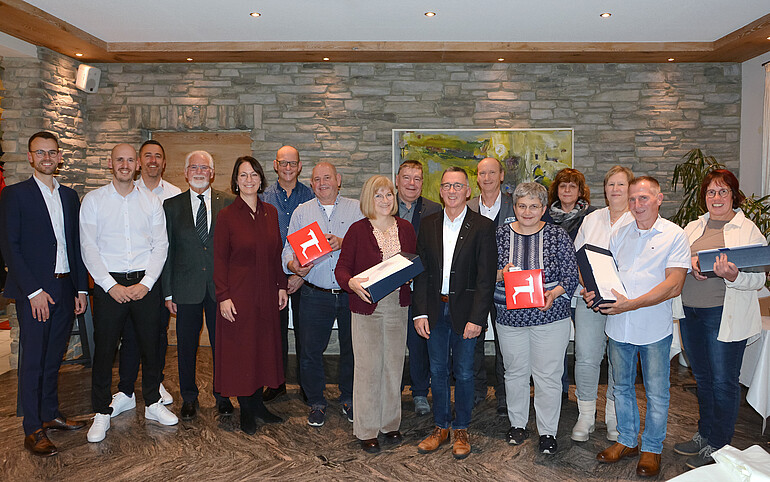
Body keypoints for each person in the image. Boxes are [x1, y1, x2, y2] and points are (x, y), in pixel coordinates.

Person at [586, 176, 690, 477]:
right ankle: (628, 440)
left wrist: (632, 303)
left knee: (657, 392)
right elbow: (608, 273)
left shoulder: (674, 235)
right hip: (619, 327)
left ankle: (652, 448)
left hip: (654, 329)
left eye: (643, 198)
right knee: (620, 387)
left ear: (659, 199)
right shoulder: (620, 232)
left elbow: (674, 285)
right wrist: (594, 290)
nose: (636, 205)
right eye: (632, 199)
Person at [80, 143, 177, 443]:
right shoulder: (93, 201)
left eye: (129, 160)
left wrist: (146, 283)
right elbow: (89, 246)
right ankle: (101, 412)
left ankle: (151, 402)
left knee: (151, 346)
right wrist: (110, 286)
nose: (124, 165)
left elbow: (160, 245)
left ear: (137, 165)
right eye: (118, 160)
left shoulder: (151, 202)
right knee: (105, 349)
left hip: (145, 284)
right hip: (110, 286)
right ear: (110, 164)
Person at [0, 131, 89, 456]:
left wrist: (80, 288)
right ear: (30, 157)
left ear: (60, 157)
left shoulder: (69, 195)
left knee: (54, 358)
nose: (47, 158)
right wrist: (33, 291)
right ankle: (32, 427)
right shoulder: (15, 195)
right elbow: (11, 248)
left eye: (52, 152)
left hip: (66, 288)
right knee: (34, 360)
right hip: (35, 292)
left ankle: (51, 413)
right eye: (41, 153)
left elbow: (74, 245)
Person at [674, 169, 767, 469]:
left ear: (733, 195)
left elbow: (759, 280)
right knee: (702, 379)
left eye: (723, 191)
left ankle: (720, 445)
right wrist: (687, 264)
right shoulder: (692, 227)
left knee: (724, 381)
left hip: (723, 315)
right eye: (711, 192)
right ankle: (705, 434)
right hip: (690, 311)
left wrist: (734, 274)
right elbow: (673, 262)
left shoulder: (747, 229)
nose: (716, 198)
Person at [413, 167, 496, 460]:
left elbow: (486, 279)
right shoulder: (428, 224)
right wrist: (419, 312)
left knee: (463, 372)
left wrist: (478, 318)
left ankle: (461, 428)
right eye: (447, 185)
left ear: (467, 191)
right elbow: (421, 273)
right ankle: (440, 427)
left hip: (466, 313)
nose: (452, 191)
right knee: (437, 371)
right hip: (434, 310)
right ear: (440, 190)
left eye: (458, 186)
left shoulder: (483, 227)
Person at [494, 182, 578, 455]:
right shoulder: (499, 235)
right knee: (515, 373)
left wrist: (553, 294)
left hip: (550, 317)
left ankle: (548, 432)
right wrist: (500, 273)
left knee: (548, 377)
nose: (527, 211)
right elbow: (484, 274)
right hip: (510, 319)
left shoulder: (558, 235)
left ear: (543, 208)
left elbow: (570, 276)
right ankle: (517, 424)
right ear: (514, 208)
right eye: (521, 206)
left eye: (533, 206)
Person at [336, 175, 417, 453]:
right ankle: (367, 428)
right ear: (369, 200)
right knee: (369, 368)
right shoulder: (357, 230)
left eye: (389, 195)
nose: (385, 201)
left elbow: (413, 261)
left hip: (398, 305)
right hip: (367, 306)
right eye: (378, 196)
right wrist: (352, 284)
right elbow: (342, 269)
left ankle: (389, 423)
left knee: (393, 366)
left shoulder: (405, 228)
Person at [282, 162, 363, 427]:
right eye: (317, 179)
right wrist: (293, 266)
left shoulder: (358, 209)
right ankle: (316, 402)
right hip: (315, 294)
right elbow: (287, 250)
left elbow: (369, 247)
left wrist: (344, 242)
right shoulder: (301, 212)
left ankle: (349, 397)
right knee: (310, 352)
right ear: (312, 182)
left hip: (350, 292)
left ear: (338, 179)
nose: (322, 183)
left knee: (352, 350)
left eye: (327, 178)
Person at [214, 156, 287, 435]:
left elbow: (276, 253)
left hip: (266, 294)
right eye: (243, 175)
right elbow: (219, 259)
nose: (248, 180)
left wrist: (281, 285)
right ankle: (246, 409)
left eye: (253, 175)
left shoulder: (270, 212)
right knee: (242, 353)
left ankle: (258, 406)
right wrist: (223, 296)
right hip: (239, 296)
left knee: (262, 350)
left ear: (260, 179)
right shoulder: (227, 216)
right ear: (235, 181)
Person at [161, 150, 235, 421]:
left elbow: (233, 251)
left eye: (205, 168)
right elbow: (166, 251)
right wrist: (168, 291)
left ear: (213, 173)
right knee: (186, 347)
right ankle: (189, 398)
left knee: (222, 345)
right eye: (194, 167)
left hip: (220, 290)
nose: (200, 172)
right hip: (185, 288)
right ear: (185, 172)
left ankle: (223, 395)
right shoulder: (172, 205)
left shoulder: (229, 203)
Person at [113, 139, 181, 413]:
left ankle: (155, 382)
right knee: (130, 335)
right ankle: (126, 388)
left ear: (164, 163)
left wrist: (170, 287)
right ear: (140, 162)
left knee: (158, 335)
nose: (153, 160)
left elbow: (173, 243)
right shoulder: (127, 190)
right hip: (131, 279)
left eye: (158, 156)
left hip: (161, 278)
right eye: (147, 156)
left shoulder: (176, 194)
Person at [571, 166, 635, 442]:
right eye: (611, 184)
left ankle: (612, 415)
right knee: (586, 357)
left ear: (631, 188)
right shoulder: (592, 219)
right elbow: (579, 259)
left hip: (625, 304)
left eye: (621, 184)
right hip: (590, 300)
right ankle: (586, 415)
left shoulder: (639, 219)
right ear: (604, 189)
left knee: (618, 360)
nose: (615, 189)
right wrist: (587, 289)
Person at [260, 145, 314, 402]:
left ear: (300, 166)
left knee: (305, 331)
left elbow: (317, 239)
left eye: (293, 163)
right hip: (272, 275)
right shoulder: (263, 197)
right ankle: (277, 382)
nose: (288, 168)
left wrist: (301, 275)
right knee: (274, 331)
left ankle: (307, 383)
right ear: (275, 164)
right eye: (284, 163)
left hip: (305, 273)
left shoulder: (312, 195)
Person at [467, 157, 515, 416]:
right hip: (474, 287)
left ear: (501, 175)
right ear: (477, 177)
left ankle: (504, 394)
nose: (486, 178)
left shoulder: (514, 207)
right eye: (481, 173)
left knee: (504, 342)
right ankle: (476, 390)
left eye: (491, 172)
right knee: (473, 339)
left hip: (505, 288)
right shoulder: (467, 207)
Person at [394, 160, 441, 416]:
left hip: (422, 287)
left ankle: (420, 392)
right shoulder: (385, 205)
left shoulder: (434, 209)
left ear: (423, 183)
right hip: (391, 288)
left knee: (419, 342)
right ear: (397, 179)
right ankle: (392, 390)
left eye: (417, 179)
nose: (412, 183)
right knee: (391, 342)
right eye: (407, 178)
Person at [548, 167, 597, 397]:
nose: (567, 190)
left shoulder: (593, 217)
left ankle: (585, 394)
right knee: (555, 345)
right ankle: (559, 390)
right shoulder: (544, 216)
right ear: (556, 190)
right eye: (562, 185)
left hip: (582, 287)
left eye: (572, 186)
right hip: (553, 289)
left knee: (585, 346)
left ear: (581, 191)